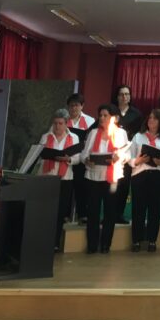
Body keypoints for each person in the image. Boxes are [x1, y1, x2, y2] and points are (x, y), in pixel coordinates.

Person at [81, 104, 130, 254]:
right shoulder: (93, 132)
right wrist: (87, 160)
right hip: (93, 176)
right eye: (100, 115)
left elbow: (127, 155)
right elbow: (84, 154)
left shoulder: (121, 133)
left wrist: (118, 158)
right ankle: (92, 245)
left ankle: (105, 245)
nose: (102, 118)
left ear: (113, 118)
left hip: (112, 177)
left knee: (110, 212)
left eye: (105, 115)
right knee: (93, 212)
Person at [128, 109, 160, 252]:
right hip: (140, 174)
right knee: (138, 208)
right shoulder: (138, 136)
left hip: (158, 175)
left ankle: (152, 240)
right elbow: (129, 157)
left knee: (155, 208)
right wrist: (138, 161)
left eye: (154, 118)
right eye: (149, 118)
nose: (151, 120)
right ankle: (136, 240)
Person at [37, 108, 81, 252]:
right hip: (47, 178)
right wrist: (49, 156)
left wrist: (68, 159)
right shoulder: (46, 136)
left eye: (60, 123)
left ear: (67, 123)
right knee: (45, 210)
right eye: (55, 123)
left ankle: (55, 242)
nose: (57, 126)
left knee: (60, 212)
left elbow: (78, 158)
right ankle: (41, 240)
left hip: (65, 179)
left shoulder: (74, 138)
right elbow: (39, 156)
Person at [114, 85, 142, 224]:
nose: (124, 97)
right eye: (121, 94)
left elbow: (139, 134)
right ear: (117, 97)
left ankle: (119, 214)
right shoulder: (112, 111)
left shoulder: (136, 114)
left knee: (124, 185)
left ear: (130, 97)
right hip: (112, 153)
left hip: (128, 153)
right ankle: (109, 214)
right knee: (111, 185)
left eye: (127, 94)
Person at [65, 93, 93, 224]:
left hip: (81, 158)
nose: (73, 108)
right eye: (71, 106)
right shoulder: (63, 119)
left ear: (82, 106)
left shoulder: (90, 121)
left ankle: (82, 214)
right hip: (65, 158)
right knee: (67, 187)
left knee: (81, 187)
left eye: (76, 105)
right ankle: (65, 214)